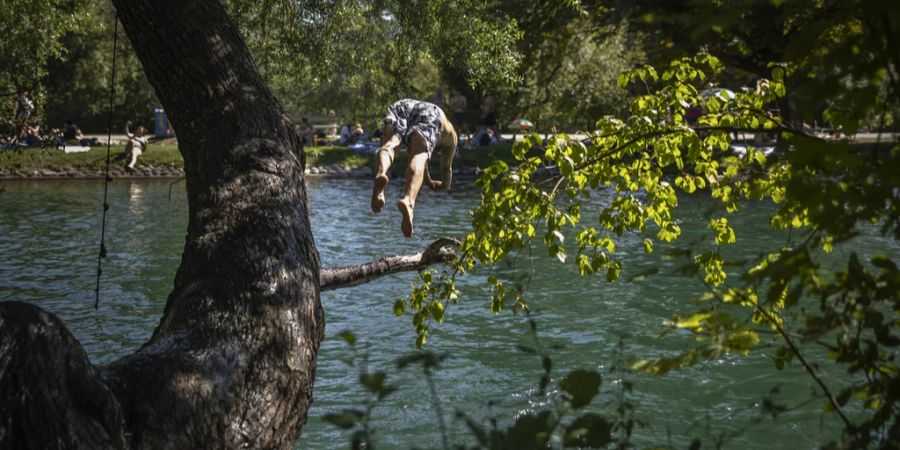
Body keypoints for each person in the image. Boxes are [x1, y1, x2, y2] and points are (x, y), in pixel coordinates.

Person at [371, 99, 458, 237]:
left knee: (390, 146)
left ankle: (380, 178)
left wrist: (429, 181)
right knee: (419, 155)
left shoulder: (437, 134)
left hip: (403, 105)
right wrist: (444, 185)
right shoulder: (451, 138)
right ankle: (408, 201)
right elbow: (446, 169)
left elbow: (424, 167)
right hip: (432, 114)